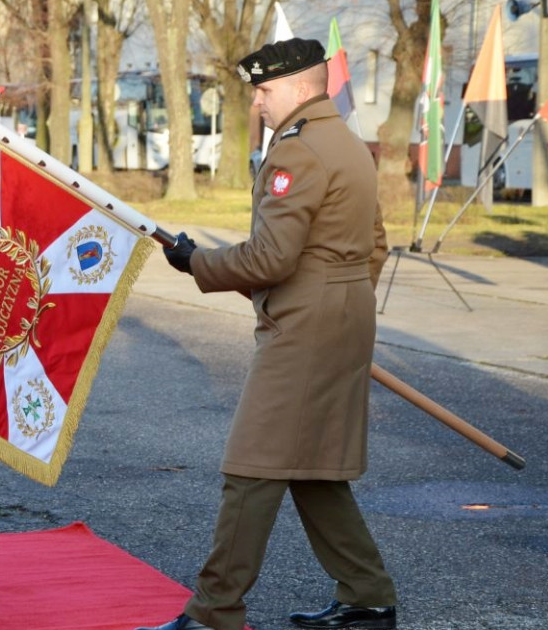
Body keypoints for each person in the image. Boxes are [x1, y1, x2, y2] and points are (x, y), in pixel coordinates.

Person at [139, 39, 395, 630]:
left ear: (301, 87)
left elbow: (270, 259)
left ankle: (213, 612)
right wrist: (340, 299)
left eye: (264, 90)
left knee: (251, 466)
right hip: (344, 318)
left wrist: (197, 262)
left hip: (305, 331)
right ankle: (367, 595)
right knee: (311, 465)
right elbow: (374, 246)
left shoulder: (297, 153)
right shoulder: (350, 144)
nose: (256, 102)